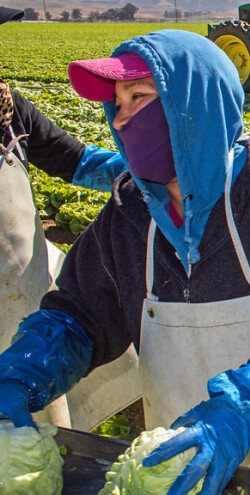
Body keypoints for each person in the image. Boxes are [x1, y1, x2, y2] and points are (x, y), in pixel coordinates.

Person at [0, 30, 250, 495]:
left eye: (138, 98)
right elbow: (78, 314)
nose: (121, 119)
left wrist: (246, 409)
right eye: (117, 104)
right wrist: (24, 371)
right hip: (181, 472)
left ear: (192, 104)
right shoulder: (129, 215)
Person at [0, 6, 131, 429]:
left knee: (35, 435)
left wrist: (151, 170)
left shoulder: (8, 111)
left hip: (24, 303)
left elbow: (73, 160)